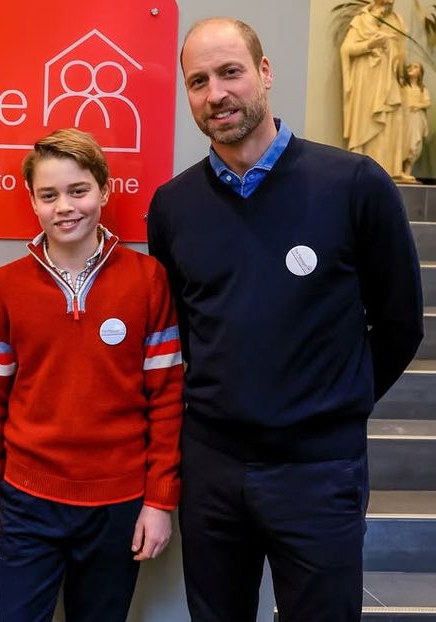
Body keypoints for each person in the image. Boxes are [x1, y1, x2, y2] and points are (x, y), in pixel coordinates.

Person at [148, 18, 423, 621]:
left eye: (230, 72)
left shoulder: (353, 185)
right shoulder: (173, 207)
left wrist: (333, 400)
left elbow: (401, 323)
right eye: (198, 81)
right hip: (213, 467)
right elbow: (188, 331)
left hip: (318, 470)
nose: (216, 93)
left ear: (265, 73)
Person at [0, 128, 183, 622]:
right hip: (26, 501)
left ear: (105, 190)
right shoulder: (7, 285)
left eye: (78, 190)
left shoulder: (148, 280)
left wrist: (159, 500)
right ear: (34, 202)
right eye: (49, 195)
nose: (65, 206)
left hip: (120, 504)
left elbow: (167, 399)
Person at [340, 0, 409, 179]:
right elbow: (346, 49)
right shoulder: (362, 19)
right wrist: (370, 45)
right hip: (366, 79)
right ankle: (361, 167)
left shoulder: (397, 21)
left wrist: (392, 47)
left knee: (391, 121)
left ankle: (391, 168)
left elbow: (402, 56)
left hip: (389, 79)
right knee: (365, 122)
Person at [401, 61, 430, 181]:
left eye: (415, 66)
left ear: (420, 72)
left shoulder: (422, 89)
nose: (411, 68)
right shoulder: (404, 86)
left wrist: (418, 105)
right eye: (410, 66)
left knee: (414, 143)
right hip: (405, 119)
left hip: (416, 119)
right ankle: (399, 170)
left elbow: (427, 102)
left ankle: (407, 170)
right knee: (404, 142)